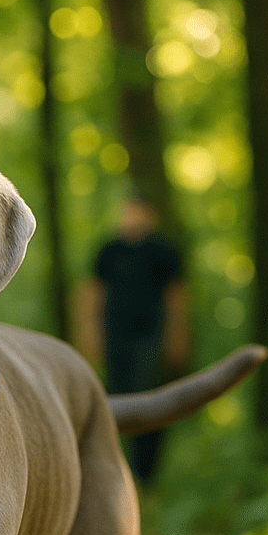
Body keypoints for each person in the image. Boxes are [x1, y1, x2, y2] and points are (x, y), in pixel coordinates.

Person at [76, 195, 190, 485]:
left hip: (151, 337)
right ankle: (117, 470)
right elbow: (92, 294)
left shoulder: (162, 250)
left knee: (148, 397)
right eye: (126, 211)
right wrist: (90, 336)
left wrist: (178, 337)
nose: (130, 217)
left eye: (137, 211)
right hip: (116, 338)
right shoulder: (109, 250)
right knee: (114, 397)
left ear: (149, 214)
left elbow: (176, 297)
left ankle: (146, 475)